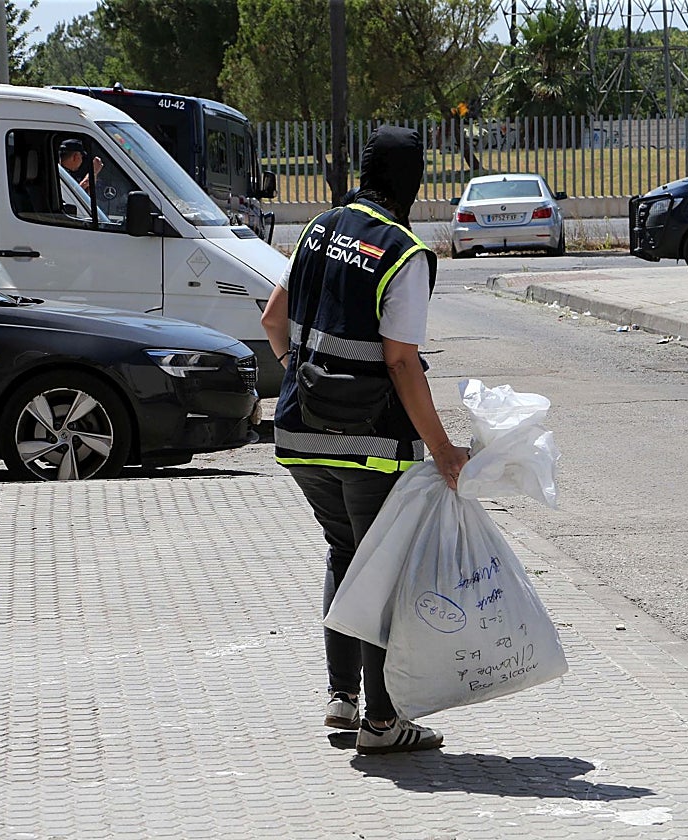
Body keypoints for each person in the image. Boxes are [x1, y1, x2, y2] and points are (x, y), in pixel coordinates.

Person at [260, 125, 470, 755]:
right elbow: (402, 363)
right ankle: (381, 722)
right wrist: (444, 450)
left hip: (300, 431)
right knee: (377, 569)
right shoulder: (403, 253)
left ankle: (342, 698)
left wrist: (308, 380)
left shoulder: (318, 228)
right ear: (413, 181)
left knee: (344, 552)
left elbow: (274, 320)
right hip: (372, 444)